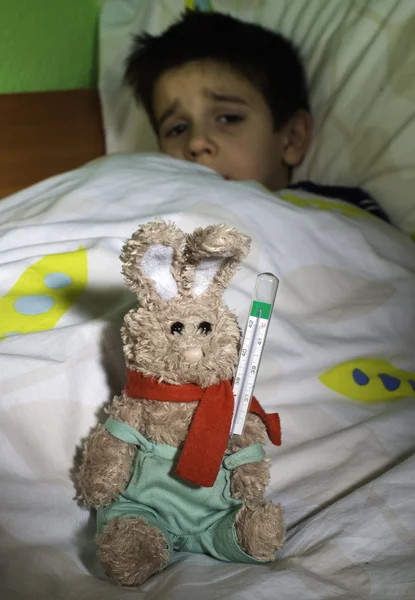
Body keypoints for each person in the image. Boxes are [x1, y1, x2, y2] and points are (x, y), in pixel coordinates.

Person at [124, 10, 389, 222]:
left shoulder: (336, 213)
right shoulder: (146, 213)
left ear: (291, 139)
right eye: (178, 129)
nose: (195, 143)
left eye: (228, 118)